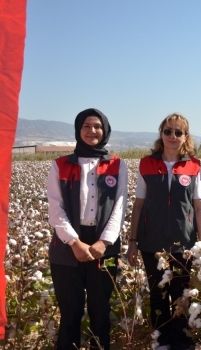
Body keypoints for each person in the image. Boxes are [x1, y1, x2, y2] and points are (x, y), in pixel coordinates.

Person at [47, 108, 127, 350]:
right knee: (70, 314)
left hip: (104, 248)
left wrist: (104, 242)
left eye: (97, 126)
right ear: (78, 130)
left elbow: (120, 206)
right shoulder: (59, 165)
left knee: (101, 312)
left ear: (105, 131)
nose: (92, 131)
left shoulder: (117, 164)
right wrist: (74, 242)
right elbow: (55, 208)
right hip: (66, 247)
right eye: (86, 126)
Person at [126, 113, 201, 350]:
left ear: (185, 137)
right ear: (161, 134)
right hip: (151, 242)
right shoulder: (146, 164)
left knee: (181, 292)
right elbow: (138, 205)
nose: (173, 136)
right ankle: (160, 340)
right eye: (168, 131)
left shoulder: (194, 165)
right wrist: (133, 240)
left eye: (178, 132)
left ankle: (181, 341)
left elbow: (199, 206)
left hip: (184, 242)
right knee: (158, 293)